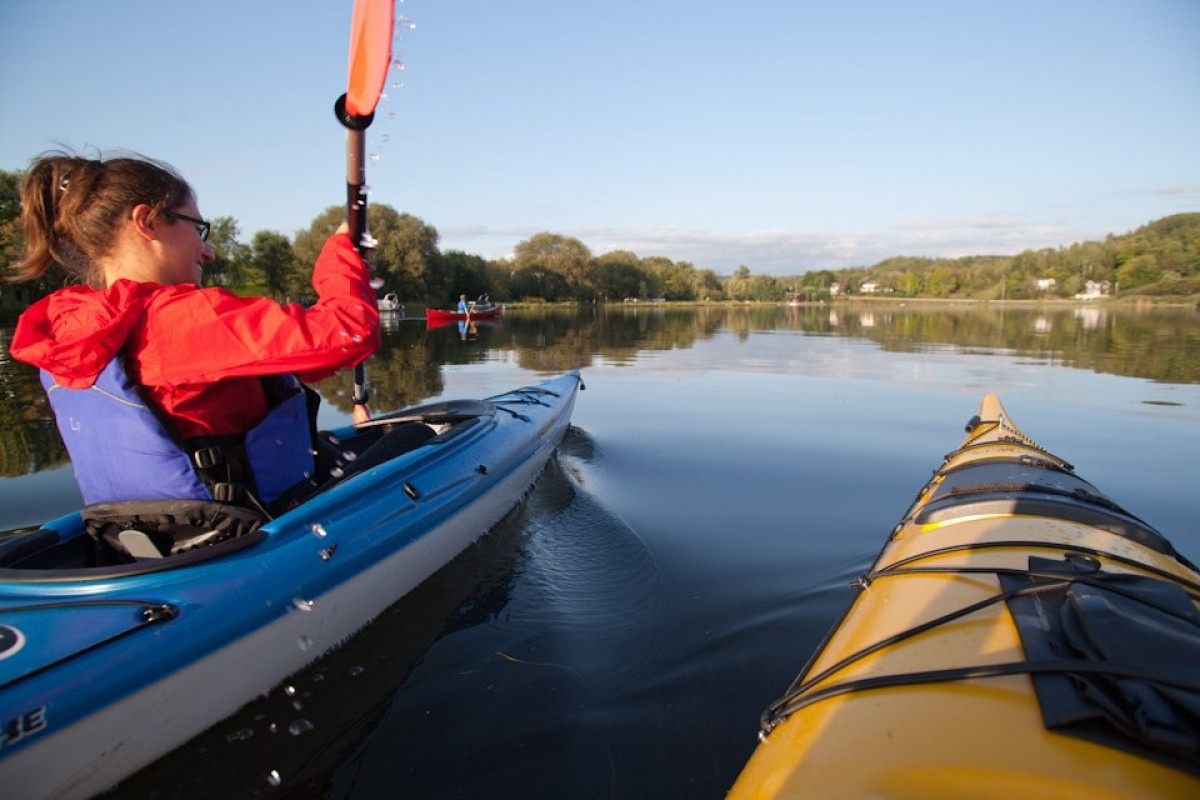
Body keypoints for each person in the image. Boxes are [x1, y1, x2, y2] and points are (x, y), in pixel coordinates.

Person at [7, 151, 380, 520]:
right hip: (244, 531)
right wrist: (342, 253)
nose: (208, 251)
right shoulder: (179, 318)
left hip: (138, 536)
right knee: (425, 443)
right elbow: (349, 332)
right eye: (198, 229)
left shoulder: (68, 326)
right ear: (147, 221)